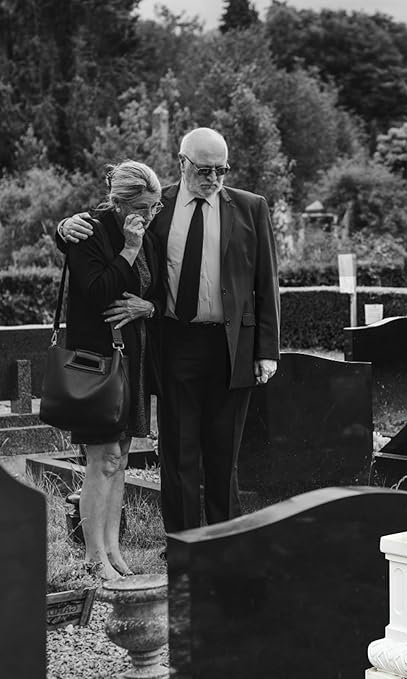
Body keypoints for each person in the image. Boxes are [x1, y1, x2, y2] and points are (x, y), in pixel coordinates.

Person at [59, 128, 280, 534]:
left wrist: (267, 350)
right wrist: (65, 228)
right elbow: (108, 229)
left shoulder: (251, 207)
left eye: (221, 170)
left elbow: (267, 280)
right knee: (178, 452)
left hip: (233, 346)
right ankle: (181, 542)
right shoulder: (158, 205)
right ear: (182, 163)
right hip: (175, 343)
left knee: (224, 453)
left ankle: (223, 542)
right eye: (204, 170)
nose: (213, 178)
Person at [64, 160, 164, 579]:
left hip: (132, 361)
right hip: (98, 363)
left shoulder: (147, 232)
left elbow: (156, 290)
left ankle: (112, 550)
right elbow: (96, 291)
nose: (150, 214)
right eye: (142, 207)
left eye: (155, 206)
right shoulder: (88, 230)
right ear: (119, 203)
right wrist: (129, 249)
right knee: (101, 458)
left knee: (119, 459)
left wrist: (148, 307)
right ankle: (93, 556)